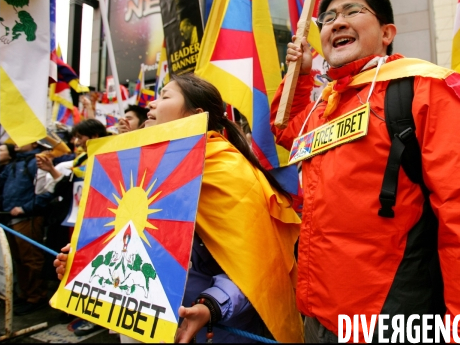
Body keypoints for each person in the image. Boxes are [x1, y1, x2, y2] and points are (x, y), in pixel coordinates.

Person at [271, 0, 460, 341]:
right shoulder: (327, 104)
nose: (336, 22)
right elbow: (289, 131)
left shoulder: (427, 89)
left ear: (387, 32)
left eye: (354, 11)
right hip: (318, 315)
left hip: (389, 317)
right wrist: (301, 76)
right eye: (328, 17)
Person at [55, 74, 303, 343]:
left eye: (164, 97)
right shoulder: (143, 166)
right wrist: (85, 264)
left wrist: (211, 305)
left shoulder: (227, 170)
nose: (151, 104)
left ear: (195, 115)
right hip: (152, 321)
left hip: (220, 329)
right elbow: (130, 244)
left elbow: (259, 260)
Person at [37, 119, 109, 336]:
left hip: (97, 223)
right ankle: (77, 306)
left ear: (95, 136)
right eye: (76, 137)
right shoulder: (79, 160)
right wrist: (52, 170)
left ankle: (96, 313)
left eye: (81, 137)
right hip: (75, 220)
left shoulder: (107, 156)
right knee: (73, 264)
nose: (77, 142)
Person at [0, 141, 49, 315]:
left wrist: (25, 208)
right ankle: (26, 293)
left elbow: (46, 191)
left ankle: (37, 296)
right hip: (10, 217)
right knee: (19, 259)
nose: (16, 142)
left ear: (34, 142)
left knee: (31, 258)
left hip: (28, 217)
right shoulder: (16, 162)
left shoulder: (38, 161)